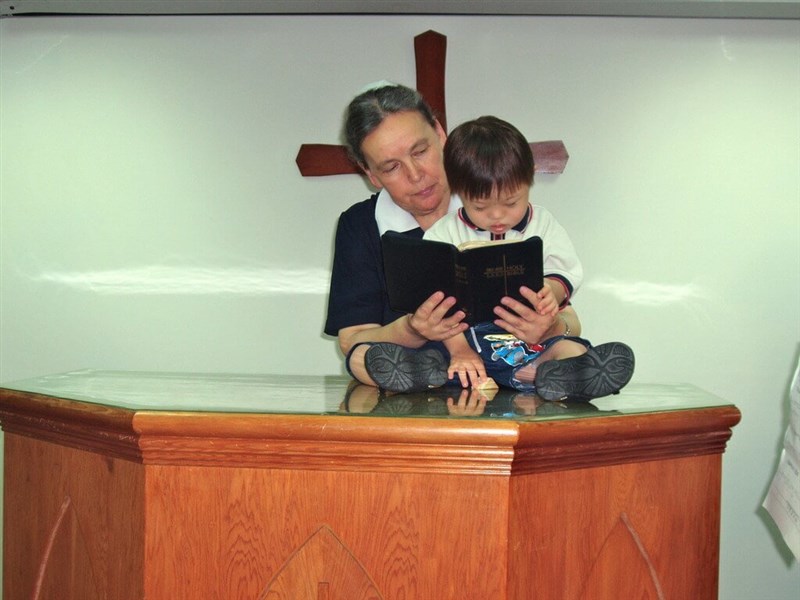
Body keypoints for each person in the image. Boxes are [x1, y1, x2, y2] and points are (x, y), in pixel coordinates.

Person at [323, 83, 602, 399]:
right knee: (360, 357)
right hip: (425, 362)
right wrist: (413, 329)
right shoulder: (360, 225)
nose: (415, 174)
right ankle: (421, 374)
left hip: (512, 354)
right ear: (371, 174)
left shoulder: (494, 207)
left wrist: (549, 326)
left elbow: (569, 317)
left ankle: (557, 373)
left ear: (440, 133)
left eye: (420, 151)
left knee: (570, 350)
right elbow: (351, 339)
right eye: (391, 167)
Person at [423, 115, 634, 399]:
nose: (497, 216)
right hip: (467, 340)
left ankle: (559, 373)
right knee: (437, 351)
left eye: (511, 202)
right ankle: (430, 371)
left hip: (529, 332)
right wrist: (459, 350)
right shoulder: (443, 233)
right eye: (480, 207)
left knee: (570, 348)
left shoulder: (542, 222)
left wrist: (551, 291)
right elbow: (434, 304)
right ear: (458, 190)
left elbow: (565, 270)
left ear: (530, 178)